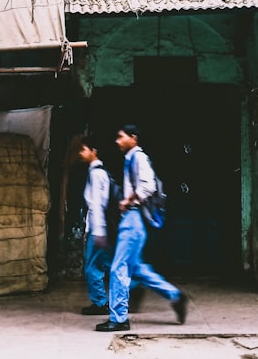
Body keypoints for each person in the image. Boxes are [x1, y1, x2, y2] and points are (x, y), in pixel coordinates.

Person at [95, 124, 189, 332]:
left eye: (121, 137)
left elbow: (148, 186)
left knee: (119, 268)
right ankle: (175, 296)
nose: (117, 141)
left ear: (133, 138)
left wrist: (128, 201)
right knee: (136, 268)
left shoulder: (138, 158)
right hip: (132, 220)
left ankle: (119, 318)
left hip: (133, 219)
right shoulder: (131, 159)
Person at [78, 137, 111, 315]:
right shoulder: (98, 172)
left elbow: (97, 204)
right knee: (107, 264)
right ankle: (126, 294)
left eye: (83, 149)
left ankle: (100, 302)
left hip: (98, 229)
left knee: (92, 267)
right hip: (101, 228)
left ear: (94, 151)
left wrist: (97, 232)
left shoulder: (96, 174)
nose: (80, 153)